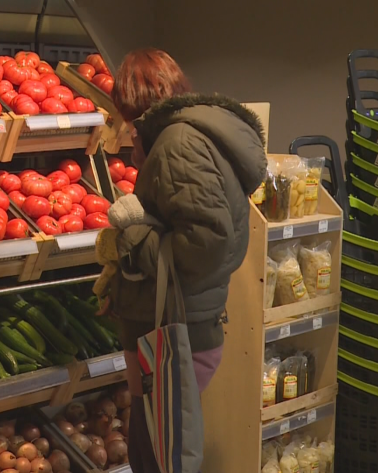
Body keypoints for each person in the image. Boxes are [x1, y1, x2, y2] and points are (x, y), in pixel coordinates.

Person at [95, 48, 267, 472]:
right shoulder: (184, 137)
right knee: (160, 447)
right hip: (182, 325)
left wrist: (132, 238)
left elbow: (205, 243)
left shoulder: (178, 143)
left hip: (172, 331)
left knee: (155, 455)